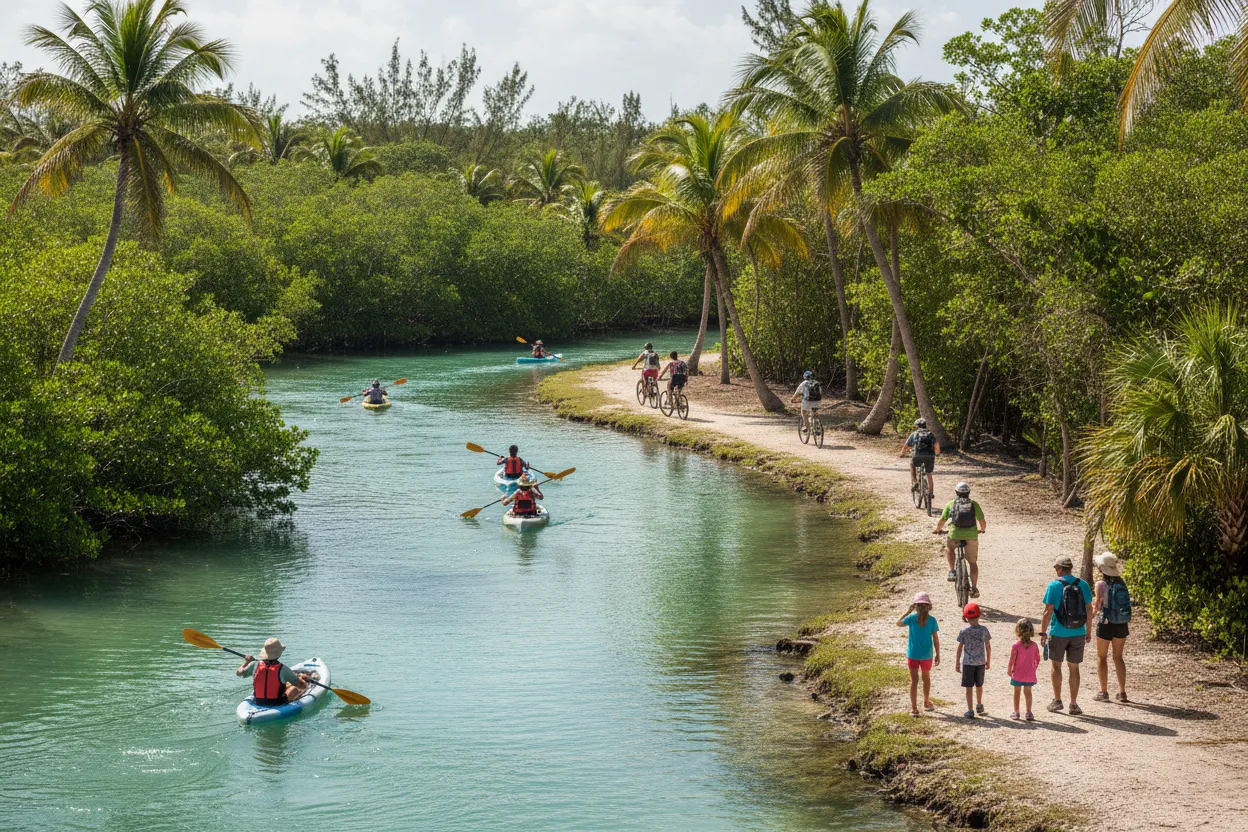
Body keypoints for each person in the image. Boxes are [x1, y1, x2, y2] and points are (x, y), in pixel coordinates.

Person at [1040, 555, 1095, 715]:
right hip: (1078, 632)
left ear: (1059, 569)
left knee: (1056, 666)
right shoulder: (1083, 584)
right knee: (1074, 668)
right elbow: (1089, 608)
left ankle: (1057, 701)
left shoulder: (1054, 585)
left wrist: (1043, 633)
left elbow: (1048, 611)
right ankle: (1073, 704)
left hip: (1058, 632)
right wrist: (1088, 630)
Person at [932, 482, 987, 597]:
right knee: (972, 562)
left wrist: (937, 530)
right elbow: (982, 522)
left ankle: (952, 571)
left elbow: (942, 520)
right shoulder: (974, 504)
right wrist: (982, 530)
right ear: (968, 493)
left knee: (949, 548)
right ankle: (974, 588)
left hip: (955, 535)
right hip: (971, 536)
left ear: (956, 492)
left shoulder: (951, 504)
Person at [1091, 551, 1131, 703]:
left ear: (1102, 569)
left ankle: (1103, 691)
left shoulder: (1101, 584)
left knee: (1102, 657)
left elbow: (1097, 606)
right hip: (1121, 623)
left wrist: (1089, 619)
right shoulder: (1122, 583)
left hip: (1105, 623)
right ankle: (1122, 692)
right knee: (1118, 657)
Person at [896, 592, 940, 717]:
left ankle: (914, 708)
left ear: (916, 606)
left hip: (913, 655)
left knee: (914, 681)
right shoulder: (932, 620)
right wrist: (938, 653)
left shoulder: (911, 618)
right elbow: (935, 639)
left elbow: (898, 623)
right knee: (926, 679)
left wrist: (907, 612)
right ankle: (926, 702)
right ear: (928, 607)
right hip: (927, 655)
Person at [236, 638, 309, 706]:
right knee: (294, 689)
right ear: (279, 654)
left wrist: (247, 662)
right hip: (278, 703)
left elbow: (238, 673)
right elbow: (299, 684)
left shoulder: (254, 665)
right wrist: (305, 683)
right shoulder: (283, 669)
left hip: (258, 701)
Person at [955, 602, 991, 718]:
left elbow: (960, 648)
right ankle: (979, 704)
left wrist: (957, 662)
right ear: (979, 615)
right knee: (979, 685)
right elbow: (988, 646)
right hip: (980, 662)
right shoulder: (984, 630)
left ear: (966, 617)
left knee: (969, 687)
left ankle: (970, 710)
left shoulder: (964, 632)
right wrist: (988, 661)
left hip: (968, 663)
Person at [1007, 619, 1042, 722]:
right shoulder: (1034, 646)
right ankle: (1029, 712)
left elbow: (1012, 659)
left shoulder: (1016, 646)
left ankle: (1016, 711)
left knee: (1017, 692)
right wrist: (1033, 668)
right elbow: (1037, 659)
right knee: (1028, 692)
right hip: (1030, 674)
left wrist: (1009, 669)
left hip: (1017, 673)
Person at [899, 417, 939, 496]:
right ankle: (931, 493)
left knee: (912, 465)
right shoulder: (930, 434)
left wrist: (902, 454)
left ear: (917, 426)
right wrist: (937, 453)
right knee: (929, 473)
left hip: (917, 455)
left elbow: (906, 446)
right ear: (925, 425)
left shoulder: (914, 434)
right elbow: (936, 445)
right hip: (930, 456)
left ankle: (915, 482)